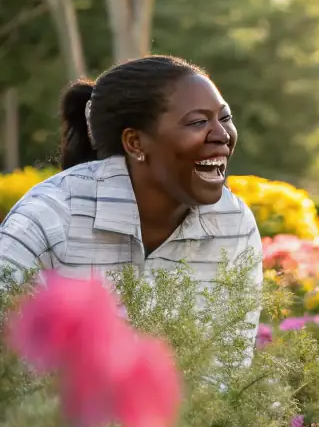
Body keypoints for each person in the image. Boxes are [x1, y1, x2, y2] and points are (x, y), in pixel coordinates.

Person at [0, 56, 263, 359]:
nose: (222, 135)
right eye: (197, 122)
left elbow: (229, 368)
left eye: (225, 117)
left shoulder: (235, 224)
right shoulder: (49, 218)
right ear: (135, 142)